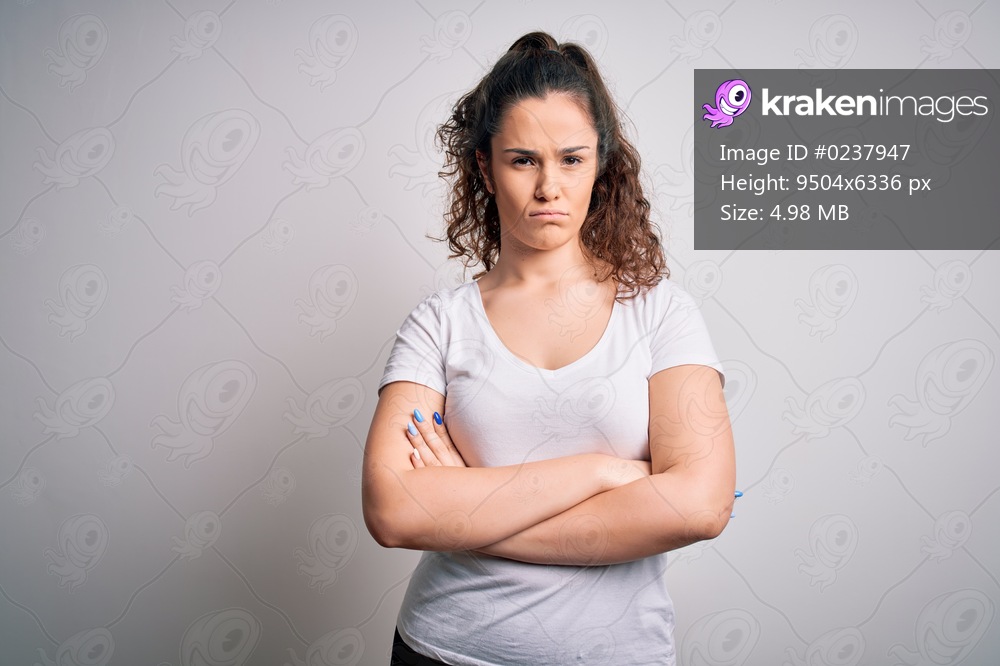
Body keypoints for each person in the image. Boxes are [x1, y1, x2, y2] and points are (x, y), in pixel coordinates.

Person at [363, 31, 735, 666]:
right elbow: (393, 510)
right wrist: (598, 474)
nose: (548, 187)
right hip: (444, 652)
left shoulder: (661, 314)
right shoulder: (438, 324)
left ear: (601, 164)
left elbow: (699, 505)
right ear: (484, 167)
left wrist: (470, 507)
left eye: (571, 159)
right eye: (522, 160)